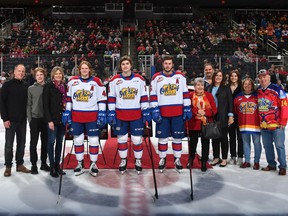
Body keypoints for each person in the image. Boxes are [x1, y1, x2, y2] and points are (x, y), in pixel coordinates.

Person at [62, 61, 107, 177]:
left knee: (93, 140)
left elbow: (101, 99)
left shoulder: (97, 81)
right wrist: (67, 111)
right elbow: (69, 99)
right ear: (79, 70)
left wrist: (102, 113)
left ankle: (93, 164)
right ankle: (80, 163)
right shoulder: (72, 82)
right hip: (77, 116)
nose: (84, 70)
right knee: (78, 140)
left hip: (92, 116)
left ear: (89, 69)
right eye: (82, 68)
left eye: (86, 68)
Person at [108, 55, 150, 174]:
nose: (125, 66)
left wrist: (145, 110)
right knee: (122, 139)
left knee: (137, 139)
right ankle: (123, 160)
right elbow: (111, 98)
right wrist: (111, 112)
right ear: (120, 67)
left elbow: (143, 96)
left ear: (131, 65)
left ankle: (138, 160)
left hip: (136, 114)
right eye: (123, 64)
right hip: (120, 114)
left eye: (127, 64)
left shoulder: (139, 79)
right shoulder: (115, 80)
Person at [150, 55, 192, 173]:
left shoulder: (180, 77)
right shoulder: (156, 77)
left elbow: (185, 93)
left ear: (173, 65)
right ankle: (162, 159)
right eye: (165, 63)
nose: (167, 65)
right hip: (162, 114)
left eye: (169, 63)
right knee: (162, 138)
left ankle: (177, 159)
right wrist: (154, 109)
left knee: (177, 138)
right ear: (162, 64)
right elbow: (153, 95)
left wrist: (187, 107)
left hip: (177, 113)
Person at [1, 64, 30, 177]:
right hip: (10, 121)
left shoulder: (26, 86)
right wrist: (5, 118)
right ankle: (8, 167)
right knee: (9, 145)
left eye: (23, 71)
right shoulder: (7, 85)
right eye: (19, 71)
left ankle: (20, 165)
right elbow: (2, 103)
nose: (21, 73)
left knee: (21, 144)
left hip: (22, 120)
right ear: (14, 71)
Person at [257, 69, 288, 176]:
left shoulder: (277, 89)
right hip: (264, 125)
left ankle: (283, 166)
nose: (262, 79)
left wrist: (283, 120)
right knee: (267, 146)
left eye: (264, 77)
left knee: (279, 145)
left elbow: (284, 105)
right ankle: (271, 164)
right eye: (260, 77)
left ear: (269, 77)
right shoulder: (258, 90)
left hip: (277, 124)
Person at [187, 77, 217, 172]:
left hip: (206, 123)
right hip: (194, 123)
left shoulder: (209, 95)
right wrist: (196, 111)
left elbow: (214, 110)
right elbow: (188, 107)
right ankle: (191, 159)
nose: (200, 87)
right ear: (194, 86)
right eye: (198, 85)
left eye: (202, 85)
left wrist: (204, 112)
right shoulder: (190, 95)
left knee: (205, 143)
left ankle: (204, 161)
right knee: (193, 142)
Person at [43, 66, 67, 178]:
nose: (58, 75)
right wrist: (49, 120)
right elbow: (45, 105)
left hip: (62, 120)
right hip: (52, 120)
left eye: (60, 73)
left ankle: (58, 165)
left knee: (59, 143)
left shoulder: (65, 87)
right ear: (53, 75)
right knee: (51, 142)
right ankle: (52, 166)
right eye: (56, 73)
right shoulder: (48, 87)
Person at [206, 70, 234, 167]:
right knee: (214, 137)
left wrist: (230, 115)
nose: (218, 77)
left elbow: (230, 102)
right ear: (214, 76)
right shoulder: (209, 88)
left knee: (223, 138)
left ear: (223, 78)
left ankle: (224, 158)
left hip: (223, 116)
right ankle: (216, 157)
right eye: (217, 75)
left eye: (220, 76)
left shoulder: (226, 88)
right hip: (212, 116)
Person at [234, 78, 262, 169]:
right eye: (245, 84)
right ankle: (247, 161)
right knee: (246, 143)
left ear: (252, 85)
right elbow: (236, 111)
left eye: (249, 84)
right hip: (243, 124)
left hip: (256, 124)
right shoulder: (238, 96)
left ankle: (256, 162)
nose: (247, 86)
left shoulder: (257, 96)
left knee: (257, 143)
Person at [27, 67, 50, 174]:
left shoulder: (48, 87)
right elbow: (28, 105)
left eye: (41, 74)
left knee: (45, 143)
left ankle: (44, 163)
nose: (39, 77)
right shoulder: (31, 89)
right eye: (37, 75)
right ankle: (34, 165)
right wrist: (30, 119)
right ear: (35, 77)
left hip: (46, 120)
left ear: (44, 75)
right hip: (35, 119)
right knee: (33, 143)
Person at [228, 70, 243, 166]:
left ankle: (240, 156)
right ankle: (233, 156)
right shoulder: (226, 88)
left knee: (240, 137)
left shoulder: (241, 88)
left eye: (235, 76)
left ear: (238, 77)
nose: (233, 77)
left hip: (240, 115)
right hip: (229, 115)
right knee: (232, 137)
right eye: (232, 76)